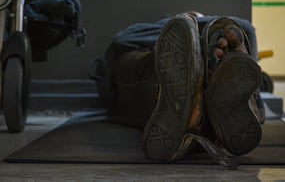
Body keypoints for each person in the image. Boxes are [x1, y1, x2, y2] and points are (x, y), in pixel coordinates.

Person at [90, 12, 265, 169]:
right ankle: (206, 102)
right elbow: (119, 44)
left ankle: (195, 106)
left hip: (148, 73)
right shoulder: (150, 29)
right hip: (146, 58)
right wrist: (190, 24)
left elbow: (118, 43)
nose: (195, 17)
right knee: (158, 65)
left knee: (160, 71)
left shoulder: (142, 31)